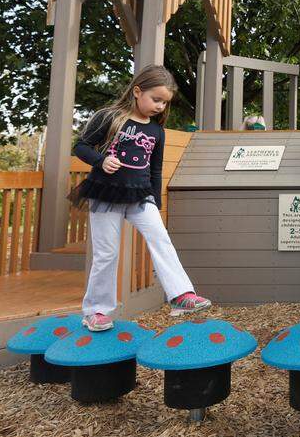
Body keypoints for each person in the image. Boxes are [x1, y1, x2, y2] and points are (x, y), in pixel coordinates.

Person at [72, 65, 212, 331]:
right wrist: (101, 161)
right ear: (138, 91)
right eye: (155, 99)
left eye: (164, 102)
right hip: (106, 193)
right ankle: (96, 311)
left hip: (140, 195)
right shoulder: (110, 117)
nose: (160, 106)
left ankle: (181, 295)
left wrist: (156, 202)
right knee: (107, 253)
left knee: (161, 237)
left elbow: (156, 169)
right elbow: (80, 146)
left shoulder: (157, 131)